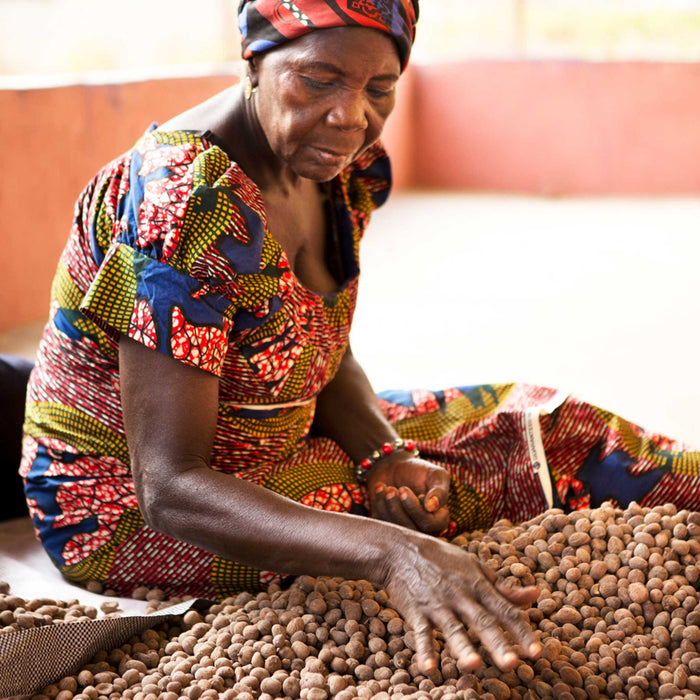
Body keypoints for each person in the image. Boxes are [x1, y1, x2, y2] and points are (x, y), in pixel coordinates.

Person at [19, 0, 699, 675]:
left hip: (274, 433)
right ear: (253, 61)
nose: (351, 116)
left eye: (380, 88)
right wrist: (390, 553)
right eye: (317, 80)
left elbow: (317, 343)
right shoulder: (185, 203)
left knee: (544, 424)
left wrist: (382, 454)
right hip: (136, 512)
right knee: (458, 505)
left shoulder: (332, 162)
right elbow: (168, 486)